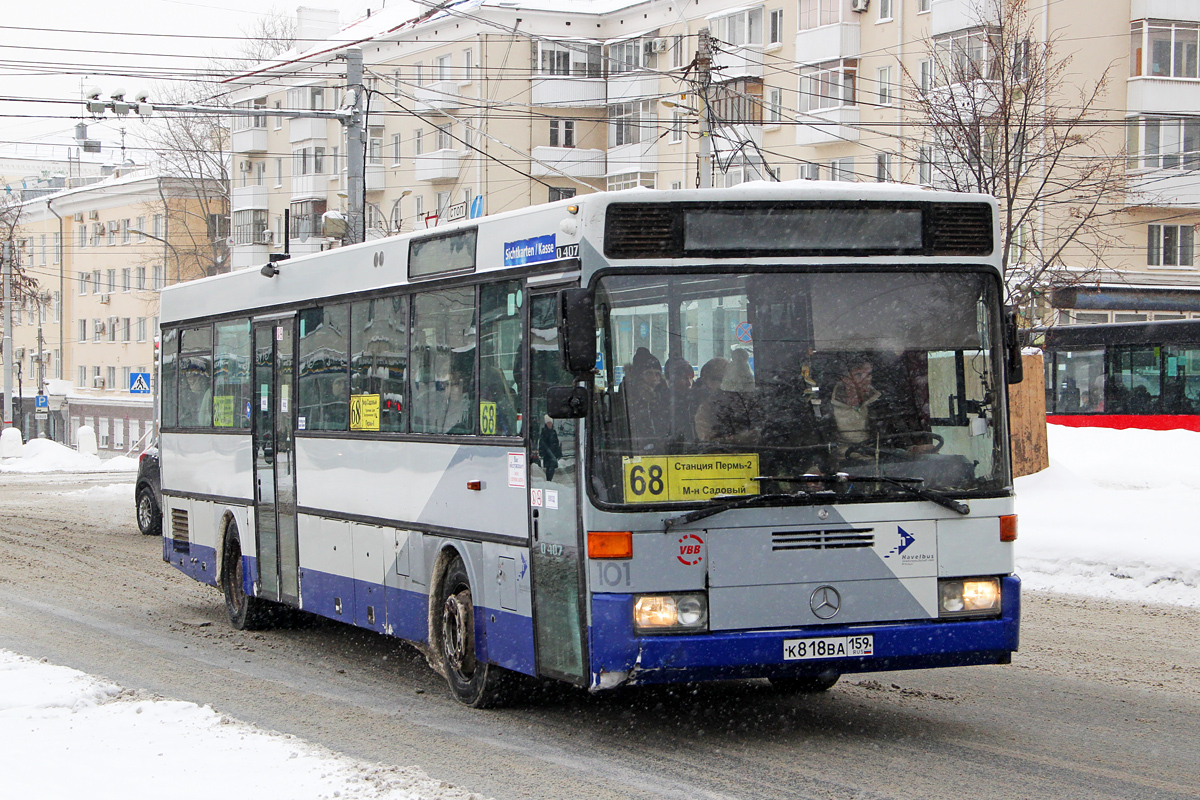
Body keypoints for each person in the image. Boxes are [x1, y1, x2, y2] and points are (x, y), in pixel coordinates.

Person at [618, 347, 669, 451]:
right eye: (649, 373)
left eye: (657, 374)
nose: (654, 378)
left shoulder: (665, 394)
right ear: (638, 375)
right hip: (638, 448)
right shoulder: (631, 394)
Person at [830, 356, 879, 447]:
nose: (866, 379)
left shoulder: (881, 402)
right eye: (858, 375)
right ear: (845, 379)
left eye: (868, 375)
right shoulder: (827, 405)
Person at [538, 415, 563, 481]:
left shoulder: (554, 432)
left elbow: (556, 443)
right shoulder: (544, 432)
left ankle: (549, 479)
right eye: (548, 423)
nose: (550, 424)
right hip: (547, 454)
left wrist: (558, 453)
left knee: (552, 468)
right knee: (549, 468)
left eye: (550, 423)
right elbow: (541, 443)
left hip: (553, 453)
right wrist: (542, 452)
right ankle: (548, 480)